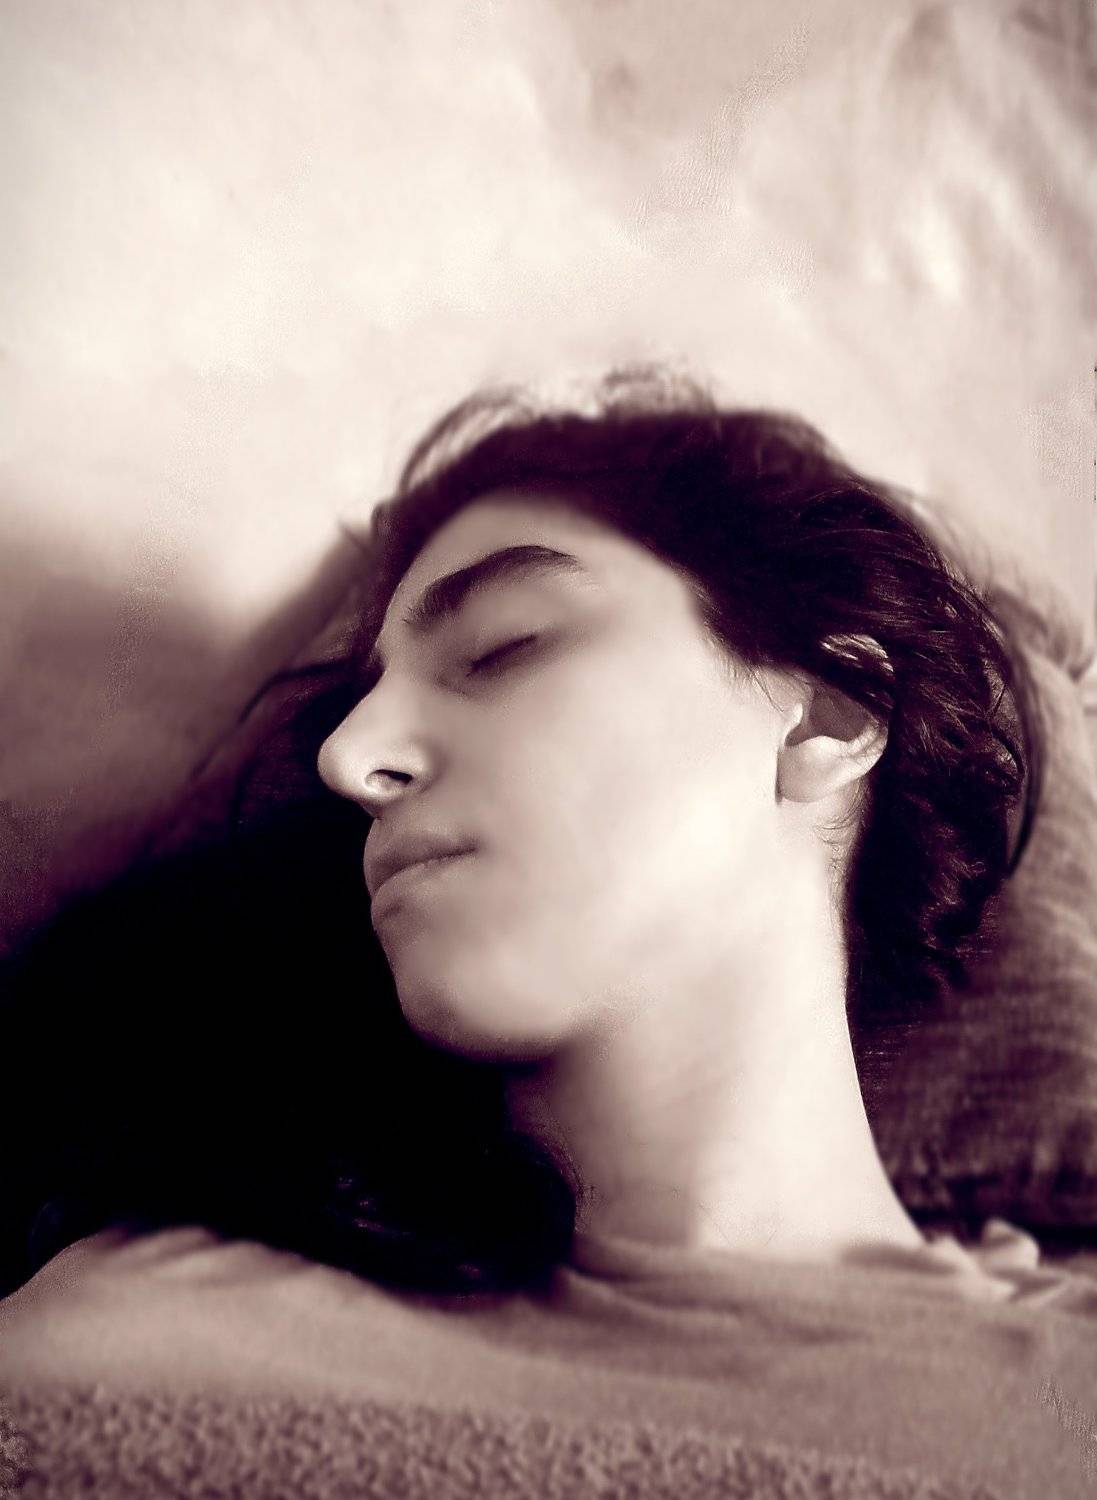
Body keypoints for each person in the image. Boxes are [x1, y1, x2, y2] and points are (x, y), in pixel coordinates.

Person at [3, 372, 1095, 1500]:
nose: (348, 760)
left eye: (499, 648)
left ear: (828, 709)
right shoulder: (128, 1333)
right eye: (351, 710)